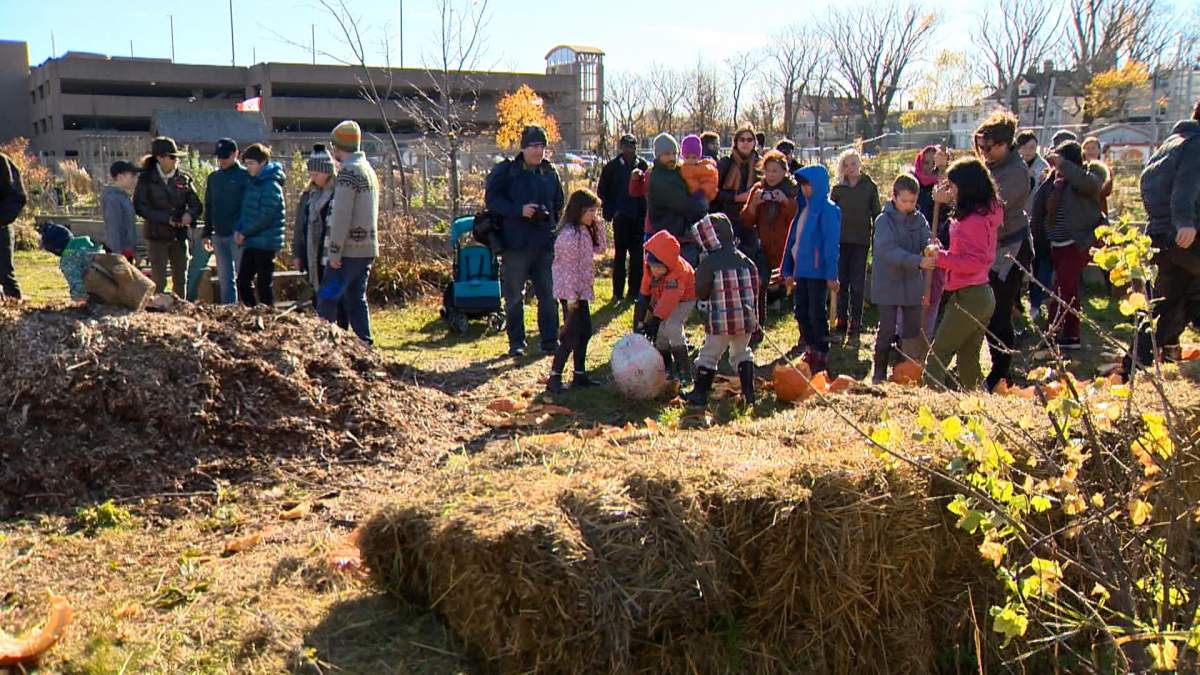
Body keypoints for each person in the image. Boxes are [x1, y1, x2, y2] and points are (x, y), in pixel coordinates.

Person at [1126, 100, 1200, 374]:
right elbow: (1185, 186)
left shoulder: (1171, 143)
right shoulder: (1195, 144)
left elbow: (1147, 182)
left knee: (1166, 305)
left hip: (1161, 235)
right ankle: (1139, 364)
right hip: (1184, 235)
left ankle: (1139, 365)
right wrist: (1184, 222)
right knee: (1169, 305)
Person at [923, 158, 1002, 391]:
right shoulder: (977, 215)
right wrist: (943, 250)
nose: (951, 192)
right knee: (968, 360)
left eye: (953, 186)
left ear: (966, 187)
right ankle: (980, 406)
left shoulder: (975, 221)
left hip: (971, 295)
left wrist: (940, 257)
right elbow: (966, 252)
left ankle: (930, 402)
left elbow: (975, 261)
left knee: (938, 354)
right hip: (978, 294)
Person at [486, 125, 564, 356]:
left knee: (548, 295)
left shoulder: (550, 173)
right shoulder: (507, 171)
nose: (538, 151)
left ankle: (550, 341)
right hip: (515, 244)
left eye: (541, 146)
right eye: (533, 146)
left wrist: (549, 218)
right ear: (523, 147)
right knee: (513, 298)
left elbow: (559, 203)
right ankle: (516, 342)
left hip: (544, 243)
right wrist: (518, 210)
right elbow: (492, 200)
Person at [974, 111, 1031, 391]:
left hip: (1010, 247)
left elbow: (991, 207)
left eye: (988, 147)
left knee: (999, 312)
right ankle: (997, 368)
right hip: (990, 247)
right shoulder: (991, 167)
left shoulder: (1016, 172)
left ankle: (1002, 373)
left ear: (1005, 144)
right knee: (988, 311)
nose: (983, 152)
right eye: (980, 146)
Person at [1029, 141, 1106, 351]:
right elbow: (1039, 211)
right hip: (1056, 245)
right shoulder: (1052, 182)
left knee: (1061, 290)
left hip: (1077, 244)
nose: (1056, 164)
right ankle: (1072, 337)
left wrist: (1064, 165)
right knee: (1069, 290)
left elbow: (1092, 185)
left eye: (1060, 160)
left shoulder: (1082, 179)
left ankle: (1051, 335)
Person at [686, 213, 759, 406]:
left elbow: (701, 292)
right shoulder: (747, 261)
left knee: (709, 354)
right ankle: (748, 392)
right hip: (745, 319)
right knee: (742, 352)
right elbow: (755, 291)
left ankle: (700, 394)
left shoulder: (709, 263)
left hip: (721, 321)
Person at [322, 120, 381, 344]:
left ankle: (325, 344)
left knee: (328, 297)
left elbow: (341, 215)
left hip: (348, 251)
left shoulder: (348, 173)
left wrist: (334, 252)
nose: (332, 151)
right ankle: (365, 343)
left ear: (339, 147)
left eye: (333, 146)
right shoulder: (368, 170)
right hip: (367, 248)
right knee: (356, 299)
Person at [871, 174, 932, 384]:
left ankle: (902, 371)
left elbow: (928, 238)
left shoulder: (920, 219)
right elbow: (888, 251)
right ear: (894, 197)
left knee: (911, 330)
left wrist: (931, 247)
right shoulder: (883, 221)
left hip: (912, 283)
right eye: (904, 201)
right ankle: (879, 371)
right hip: (888, 283)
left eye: (912, 201)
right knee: (887, 328)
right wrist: (917, 260)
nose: (908, 205)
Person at [781, 165, 841, 373]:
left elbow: (831, 245)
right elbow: (792, 241)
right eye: (803, 186)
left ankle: (821, 350)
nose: (805, 190)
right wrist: (787, 269)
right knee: (801, 311)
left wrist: (832, 273)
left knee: (816, 312)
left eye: (809, 185)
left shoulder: (828, 210)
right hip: (802, 270)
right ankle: (809, 346)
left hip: (817, 271)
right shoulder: (802, 210)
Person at [547, 188, 607, 393]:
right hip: (570, 293)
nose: (594, 215)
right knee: (571, 335)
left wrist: (598, 225)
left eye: (596, 211)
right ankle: (554, 377)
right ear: (579, 210)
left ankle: (579, 374)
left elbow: (601, 249)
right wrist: (572, 298)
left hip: (581, 291)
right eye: (591, 211)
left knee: (585, 332)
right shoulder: (568, 236)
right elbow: (568, 269)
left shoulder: (584, 231)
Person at [739, 149, 799, 342]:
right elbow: (746, 220)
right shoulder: (758, 189)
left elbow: (798, 218)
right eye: (768, 171)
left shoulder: (793, 190)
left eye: (775, 171)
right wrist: (754, 205)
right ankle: (758, 326)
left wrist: (785, 202)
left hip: (787, 246)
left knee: (798, 284)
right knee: (760, 283)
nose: (771, 175)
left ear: (784, 171)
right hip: (763, 246)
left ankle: (803, 329)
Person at [134, 136, 200, 296]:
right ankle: (158, 310)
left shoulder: (184, 179)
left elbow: (196, 205)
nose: (175, 160)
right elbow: (140, 207)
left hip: (179, 236)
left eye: (176, 157)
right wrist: (165, 218)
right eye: (172, 156)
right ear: (160, 158)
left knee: (181, 277)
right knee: (159, 279)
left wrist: (189, 216)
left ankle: (180, 309)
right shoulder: (146, 179)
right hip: (157, 236)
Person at [830, 148, 881, 338]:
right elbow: (831, 215)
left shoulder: (869, 186)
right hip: (840, 241)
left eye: (853, 163)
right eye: (846, 164)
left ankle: (856, 321)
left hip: (860, 241)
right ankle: (841, 318)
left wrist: (878, 239)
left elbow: (877, 214)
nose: (850, 168)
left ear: (860, 164)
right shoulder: (838, 190)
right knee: (841, 282)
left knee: (858, 284)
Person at [638, 230, 697, 383]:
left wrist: (656, 319)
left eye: (659, 267)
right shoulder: (649, 267)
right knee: (660, 334)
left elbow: (670, 300)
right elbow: (644, 294)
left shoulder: (678, 272)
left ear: (668, 265)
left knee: (672, 325)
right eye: (652, 266)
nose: (654, 270)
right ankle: (667, 369)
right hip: (662, 297)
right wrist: (640, 321)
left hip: (685, 299)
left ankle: (684, 371)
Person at [292, 144, 342, 323]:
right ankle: (322, 325)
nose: (313, 176)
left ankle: (339, 327)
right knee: (317, 294)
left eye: (317, 173)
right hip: (311, 254)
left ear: (327, 171)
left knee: (334, 295)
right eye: (311, 173)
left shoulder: (339, 193)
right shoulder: (307, 196)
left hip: (330, 254)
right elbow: (299, 226)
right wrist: (297, 253)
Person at [596, 134, 648, 302]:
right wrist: (613, 210)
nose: (629, 150)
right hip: (621, 217)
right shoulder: (612, 167)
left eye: (632, 146)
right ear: (621, 147)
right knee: (619, 256)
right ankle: (617, 292)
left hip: (638, 217)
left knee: (637, 256)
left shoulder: (642, 165)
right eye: (626, 146)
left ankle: (634, 292)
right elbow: (602, 191)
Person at [232, 144, 285, 308]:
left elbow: (265, 217)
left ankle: (268, 315)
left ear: (262, 162)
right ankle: (252, 311)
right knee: (242, 281)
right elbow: (246, 211)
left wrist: (245, 232)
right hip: (252, 240)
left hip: (266, 242)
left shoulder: (271, 185)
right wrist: (239, 229)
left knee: (264, 284)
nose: (248, 168)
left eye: (251, 164)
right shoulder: (253, 183)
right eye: (246, 164)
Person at [645, 133, 707, 267]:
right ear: (658, 155)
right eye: (667, 154)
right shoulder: (659, 178)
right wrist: (701, 204)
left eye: (674, 153)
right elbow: (682, 204)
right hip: (668, 237)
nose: (672, 157)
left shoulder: (677, 173)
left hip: (683, 236)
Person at [203, 138, 251, 304]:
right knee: (225, 278)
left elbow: (249, 207)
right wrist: (206, 232)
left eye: (225, 157)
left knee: (244, 275)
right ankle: (229, 309)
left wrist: (244, 230)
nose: (221, 161)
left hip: (238, 235)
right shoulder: (214, 178)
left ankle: (248, 307)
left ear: (236, 154)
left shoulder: (245, 177)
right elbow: (209, 206)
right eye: (219, 157)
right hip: (219, 234)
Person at [913, 145, 950, 338]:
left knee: (935, 289)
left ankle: (930, 331)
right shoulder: (913, 184)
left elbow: (949, 207)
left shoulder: (944, 184)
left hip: (939, 240)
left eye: (933, 164)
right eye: (926, 163)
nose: (929, 167)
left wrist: (942, 170)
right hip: (916, 242)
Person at [1017, 130, 1054, 323]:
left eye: (1033, 147)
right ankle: (1019, 304)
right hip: (1018, 220)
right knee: (1021, 264)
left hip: (1038, 222)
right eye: (1025, 147)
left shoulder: (1043, 167)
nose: (1029, 151)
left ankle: (1036, 302)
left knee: (1039, 262)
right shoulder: (1014, 166)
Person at [715, 125, 762, 241]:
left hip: (754, 219)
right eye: (742, 139)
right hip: (729, 218)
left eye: (749, 140)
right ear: (736, 142)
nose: (745, 143)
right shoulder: (726, 163)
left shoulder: (761, 164)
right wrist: (735, 198)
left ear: (754, 143)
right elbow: (714, 192)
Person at [0, 152, 27, 300]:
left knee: (4, 274)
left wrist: (2, 219)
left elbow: (16, 196)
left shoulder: (1, 162)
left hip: (1, 227)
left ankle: (14, 318)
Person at [101, 160, 139, 262]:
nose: (135, 180)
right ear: (120, 177)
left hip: (126, 252)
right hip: (119, 253)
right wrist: (117, 256)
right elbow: (113, 228)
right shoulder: (113, 199)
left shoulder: (124, 197)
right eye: (132, 176)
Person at [678, 134, 719, 203]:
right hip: (686, 198)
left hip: (701, 197)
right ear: (683, 156)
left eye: (694, 157)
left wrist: (703, 191)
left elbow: (711, 182)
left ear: (699, 157)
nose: (690, 160)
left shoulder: (704, 168)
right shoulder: (681, 168)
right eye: (687, 157)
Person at [1082, 136, 1114, 216]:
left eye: (1093, 148)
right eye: (1087, 148)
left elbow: (1106, 191)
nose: (1090, 151)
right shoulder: (1079, 169)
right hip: (1081, 211)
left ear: (1099, 151)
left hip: (1099, 210)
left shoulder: (1105, 169)